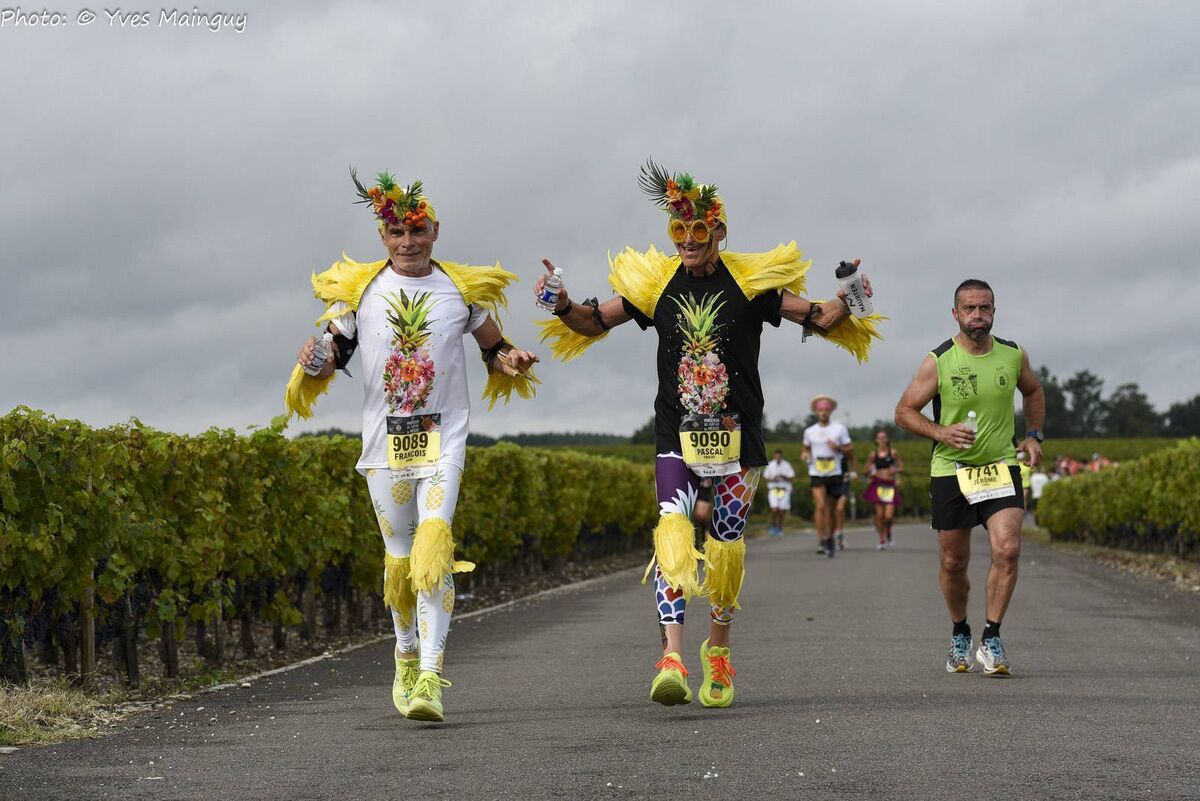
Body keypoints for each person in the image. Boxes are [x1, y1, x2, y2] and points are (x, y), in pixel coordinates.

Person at [535, 159, 882, 707]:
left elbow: (819, 317)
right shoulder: (656, 286)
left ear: (719, 232)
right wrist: (558, 303)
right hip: (676, 434)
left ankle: (717, 650)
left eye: (700, 230)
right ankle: (671, 656)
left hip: (737, 438)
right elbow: (592, 321)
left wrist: (853, 293)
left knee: (724, 549)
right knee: (672, 533)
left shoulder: (750, 285)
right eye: (680, 230)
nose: (689, 240)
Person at [285, 169, 540, 722]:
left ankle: (430, 675)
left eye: (417, 231)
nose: (408, 242)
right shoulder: (359, 293)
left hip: (444, 438)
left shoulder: (461, 292)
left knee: (432, 545)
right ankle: (403, 648)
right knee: (400, 558)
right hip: (386, 448)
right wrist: (313, 362)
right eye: (396, 231)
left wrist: (512, 361)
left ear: (435, 231)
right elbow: (330, 354)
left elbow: (496, 348)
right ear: (382, 235)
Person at [895, 278, 1044, 676]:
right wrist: (941, 431)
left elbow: (1033, 391)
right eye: (970, 309)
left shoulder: (1013, 355)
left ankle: (992, 637)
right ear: (956, 313)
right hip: (952, 471)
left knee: (1008, 549)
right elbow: (904, 411)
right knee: (953, 561)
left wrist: (1032, 434)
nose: (978, 316)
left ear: (994, 311)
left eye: (985, 308)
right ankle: (960, 631)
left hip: (1000, 466)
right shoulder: (939, 360)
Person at [802, 396, 854, 557]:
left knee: (831, 510)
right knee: (820, 506)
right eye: (820, 410)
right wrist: (804, 455)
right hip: (817, 472)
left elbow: (850, 450)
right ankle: (821, 540)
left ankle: (830, 537)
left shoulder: (839, 429)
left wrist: (838, 448)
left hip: (835, 472)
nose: (823, 413)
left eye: (826, 410)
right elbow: (805, 449)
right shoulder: (809, 431)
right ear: (816, 412)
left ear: (830, 411)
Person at [864, 429, 904, 549]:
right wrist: (870, 470)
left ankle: (889, 531)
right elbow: (865, 471)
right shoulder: (873, 455)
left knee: (888, 516)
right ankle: (882, 539)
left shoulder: (893, 453)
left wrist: (895, 470)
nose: (881, 440)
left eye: (883, 438)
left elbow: (901, 467)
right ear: (876, 440)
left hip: (890, 485)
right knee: (880, 515)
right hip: (877, 485)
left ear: (887, 440)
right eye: (879, 438)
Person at [763, 449, 796, 536]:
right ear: (774, 456)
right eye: (776, 456)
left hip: (784, 490)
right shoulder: (770, 465)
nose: (777, 458)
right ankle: (773, 525)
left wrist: (783, 476)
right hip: (774, 489)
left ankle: (780, 528)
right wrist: (773, 478)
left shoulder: (787, 465)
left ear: (781, 456)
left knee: (781, 511)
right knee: (774, 509)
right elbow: (766, 477)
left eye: (779, 456)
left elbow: (791, 478)